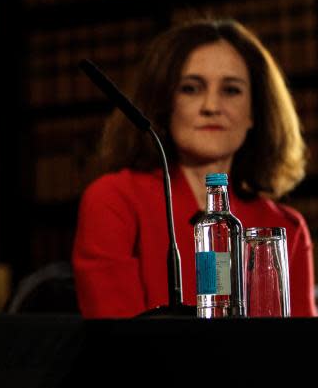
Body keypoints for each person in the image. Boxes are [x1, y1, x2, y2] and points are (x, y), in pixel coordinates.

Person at [73, 18, 316, 317]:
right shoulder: (113, 200)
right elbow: (119, 342)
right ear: (164, 104)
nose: (211, 106)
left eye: (231, 90)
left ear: (255, 112)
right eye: (191, 88)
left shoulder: (287, 228)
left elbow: (301, 352)